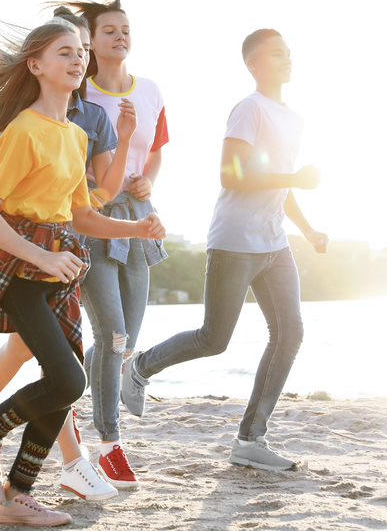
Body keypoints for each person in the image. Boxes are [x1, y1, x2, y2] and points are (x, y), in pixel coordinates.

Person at [0, 19, 165, 526]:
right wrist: (42, 257)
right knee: (68, 378)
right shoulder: (23, 130)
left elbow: (83, 216)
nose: (78, 59)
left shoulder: (74, 136)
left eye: (81, 52)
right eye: (65, 52)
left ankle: (16, 499)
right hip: (22, 274)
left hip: (57, 275)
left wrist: (139, 229)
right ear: (36, 65)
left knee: (67, 384)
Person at [121, 28, 328, 472]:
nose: (287, 59)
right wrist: (293, 179)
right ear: (254, 64)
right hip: (234, 240)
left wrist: (308, 230)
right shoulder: (249, 109)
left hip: (275, 243)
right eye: (277, 54)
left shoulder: (294, 118)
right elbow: (231, 176)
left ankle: (251, 439)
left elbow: (282, 184)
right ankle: (139, 367)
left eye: (289, 52)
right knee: (214, 339)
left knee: (289, 333)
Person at [60, 0, 169, 489]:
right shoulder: (79, 95)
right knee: (113, 335)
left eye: (125, 29)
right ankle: (110, 442)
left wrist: (147, 180)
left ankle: (75, 404)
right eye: (109, 31)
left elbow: (155, 153)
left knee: (125, 342)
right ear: (90, 41)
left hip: (140, 219)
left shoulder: (150, 91)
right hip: (93, 220)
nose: (120, 36)